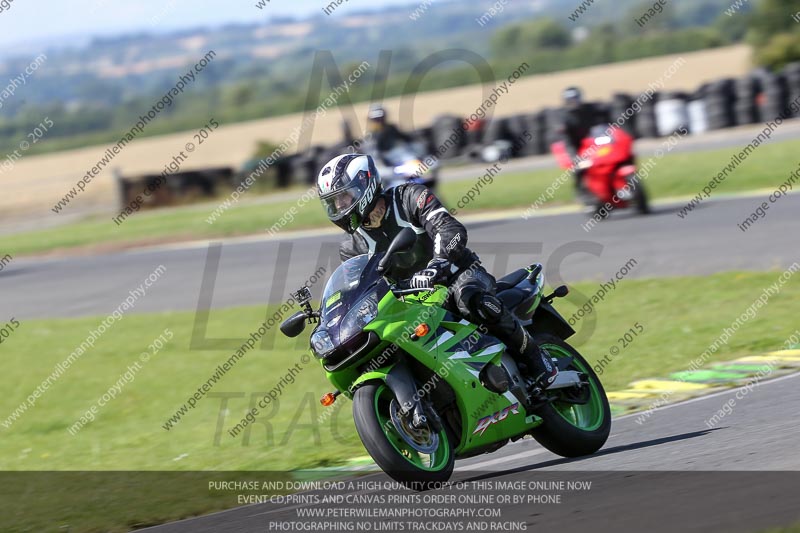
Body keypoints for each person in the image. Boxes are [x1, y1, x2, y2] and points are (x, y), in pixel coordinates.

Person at [316, 153, 558, 395]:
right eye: (333, 202)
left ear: (364, 185)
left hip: (457, 274)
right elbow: (358, 287)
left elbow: (449, 228)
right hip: (411, 299)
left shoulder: (410, 197)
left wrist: (438, 263)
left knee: (470, 300)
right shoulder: (351, 247)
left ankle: (538, 359)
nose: (339, 207)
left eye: (343, 197)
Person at [559, 87, 595, 190]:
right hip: (578, 149)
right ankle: (583, 194)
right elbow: (568, 142)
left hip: (596, 144)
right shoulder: (565, 118)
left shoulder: (590, 110)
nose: (573, 101)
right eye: (570, 99)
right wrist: (575, 157)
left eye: (575, 98)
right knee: (579, 168)